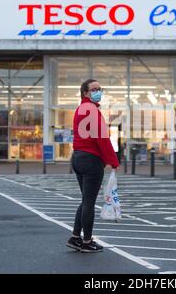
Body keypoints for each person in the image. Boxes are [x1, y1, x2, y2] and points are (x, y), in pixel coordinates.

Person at [67, 79, 120, 253]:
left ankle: (75, 238)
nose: (98, 92)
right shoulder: (91, 110)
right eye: (94, 89)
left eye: (99, 89)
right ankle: (87, 242)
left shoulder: (81, 109)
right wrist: (113, 160)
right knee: (89, 202)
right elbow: (102, 139)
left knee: (85, 200)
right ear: (85, 93)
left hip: (78, 157)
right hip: (91, 160)